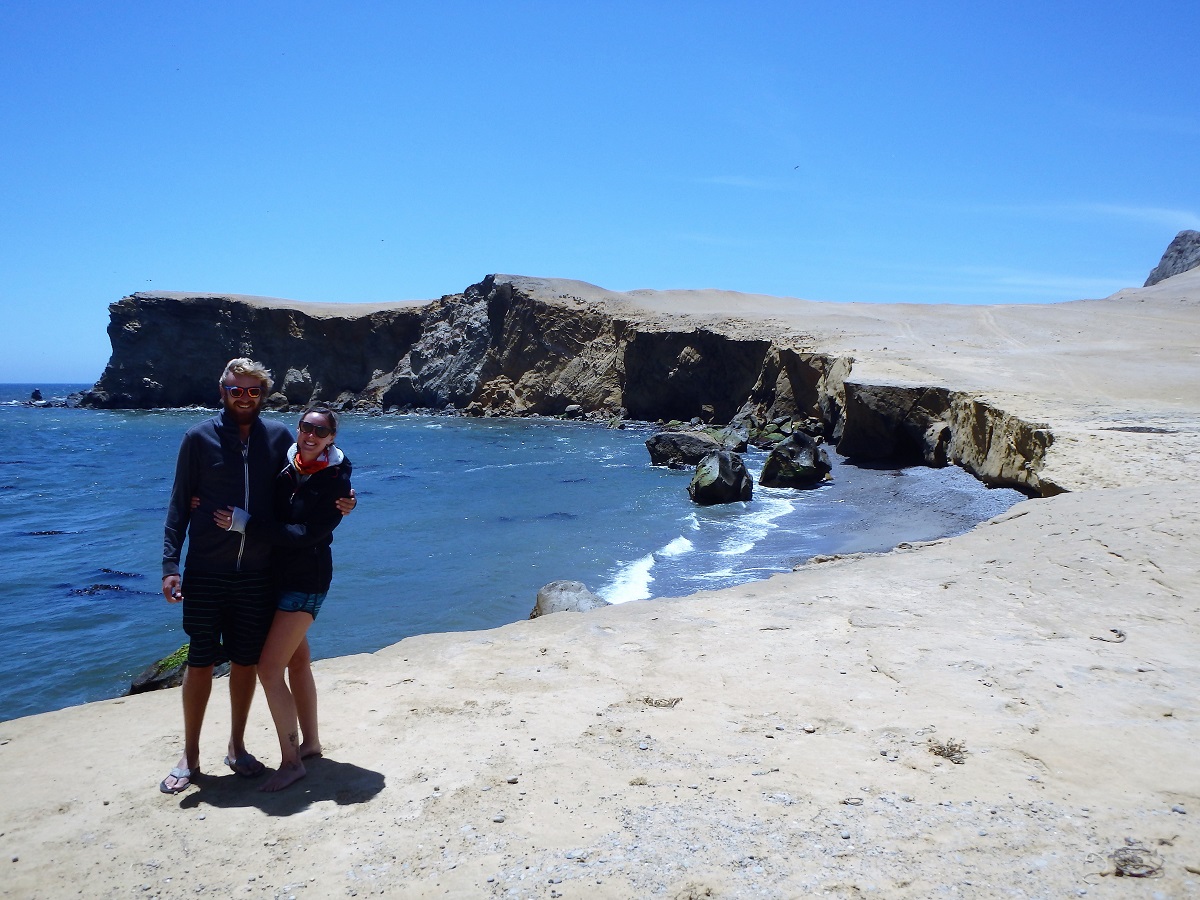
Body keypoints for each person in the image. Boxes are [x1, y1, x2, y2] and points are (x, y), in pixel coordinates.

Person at [159, 359, 353, 794]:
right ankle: (189, 756)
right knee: (201, 660)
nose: (243, 398)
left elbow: (313, 482)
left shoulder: (279, 438)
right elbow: (177, 505)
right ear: (221, 389)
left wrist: (344, 499)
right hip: (207, 569)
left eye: (252, 391)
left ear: (263, 395)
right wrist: (171, 565)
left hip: (259, 573)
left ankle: (238, 745)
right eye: (235, 390)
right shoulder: (198, 438)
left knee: (248, 661)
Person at [214, 405, 351, 791]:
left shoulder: (336, 481)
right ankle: (310, 744)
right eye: (305, 426)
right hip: (278, 579)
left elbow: (304, 534)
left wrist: (246, 525)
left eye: (319, 431)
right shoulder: (288, 464)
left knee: (269, 670)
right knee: (299, 661)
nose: (310, 435)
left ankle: (291, 762)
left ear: (331, 439)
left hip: (306, 583)